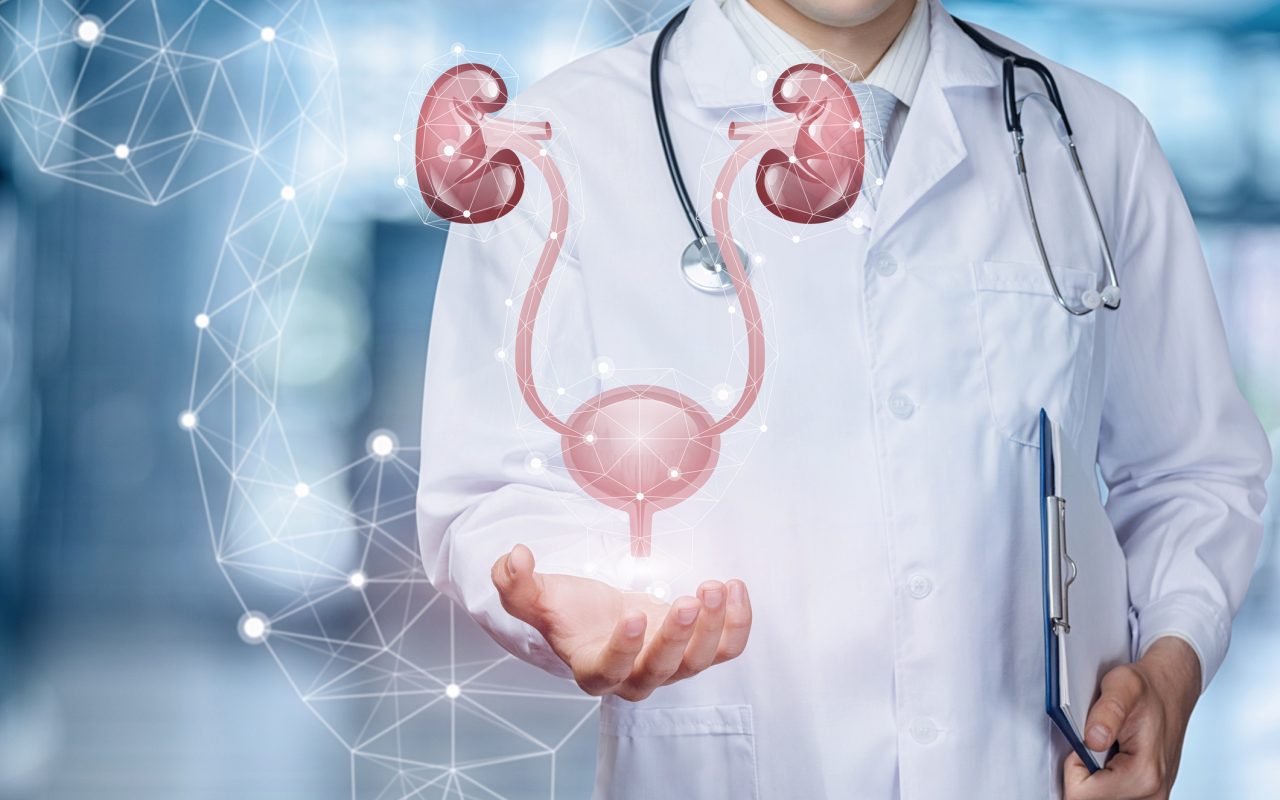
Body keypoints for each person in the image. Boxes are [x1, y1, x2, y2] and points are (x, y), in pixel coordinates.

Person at [416, 0, 1271, 797]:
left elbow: (1190, 471)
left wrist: (1172, 667)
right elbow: (493, 490)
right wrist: (578, 589)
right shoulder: (556, 143)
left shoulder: (1090, 139)